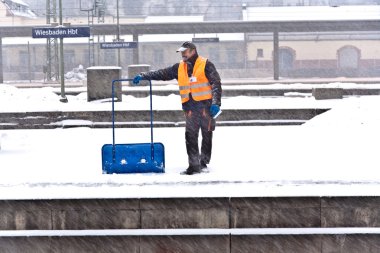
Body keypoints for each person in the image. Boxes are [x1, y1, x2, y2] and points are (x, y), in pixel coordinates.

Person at [133, 41, 222, 175]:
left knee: (207, 135)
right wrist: (144, 76)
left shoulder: (205, 64)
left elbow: (216, 83)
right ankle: (194, 165)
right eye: (181, 52)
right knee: (190, 136)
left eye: (185, 52)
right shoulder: (179, 67)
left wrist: (216, 103)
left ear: (192, 51)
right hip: (190, 108)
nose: (182, 55)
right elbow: (162, 73)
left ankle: (203, 162)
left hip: (206, 107)